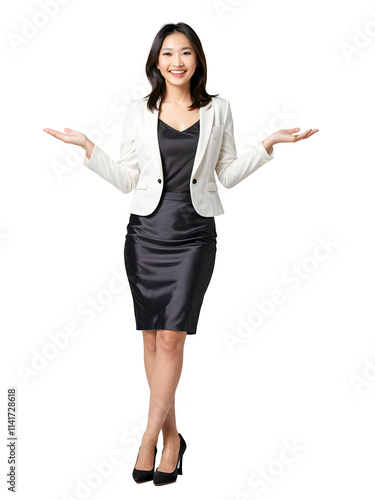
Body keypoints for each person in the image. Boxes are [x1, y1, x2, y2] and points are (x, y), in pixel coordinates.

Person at [43, 22, 318, 486]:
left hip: (193, 237)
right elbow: (129, 179)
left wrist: (269, 145)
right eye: (167, 53)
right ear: (155, 62)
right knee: (151, 339)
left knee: (172, 339)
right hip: (145, 235)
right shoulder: (138, 111)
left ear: (197, 60)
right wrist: (89, 149)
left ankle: (147, 437)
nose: (176, 61)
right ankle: (174, 440)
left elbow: (227, 174)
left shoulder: (218, 109)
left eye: (185, 53)